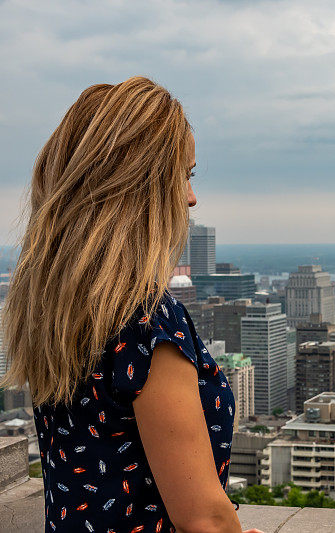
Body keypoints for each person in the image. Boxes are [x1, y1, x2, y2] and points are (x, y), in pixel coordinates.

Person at [1, 77, 261, 533]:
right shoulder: (146, 322)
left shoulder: (52, 309)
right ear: (141, 187)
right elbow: (203, 518)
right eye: (183, 175)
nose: (191, 196)